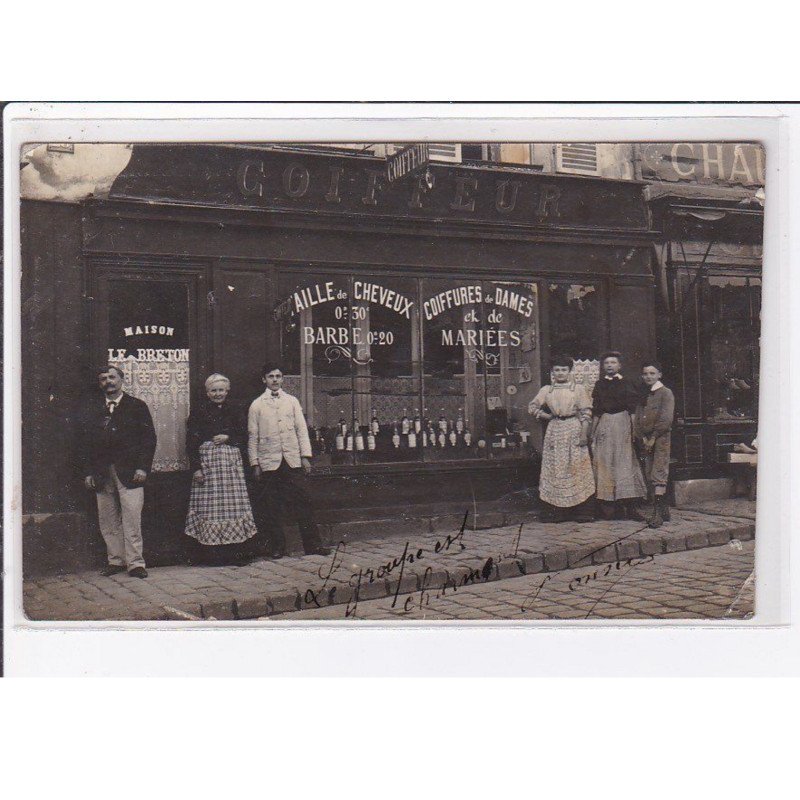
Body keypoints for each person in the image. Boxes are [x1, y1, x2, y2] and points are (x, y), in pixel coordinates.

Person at [81, 364, 157, 578]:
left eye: (112, 377)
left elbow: (148, 439)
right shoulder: (94, 410)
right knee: (108, 519)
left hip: (130, 472)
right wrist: (88, 472)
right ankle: (116, 561)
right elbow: (85, 444)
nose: (109, 382)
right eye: (104, 379)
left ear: (122, 380)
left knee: (132, 517)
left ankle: (135, 563)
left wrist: (143, 467)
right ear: (100, 384)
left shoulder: (136, 406)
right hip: (102, 473)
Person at [248, 364, 331, 559]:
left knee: (304, 502)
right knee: (272, 506)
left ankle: (313, 546)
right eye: (271, 376)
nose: (275, 380)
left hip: (292, 460)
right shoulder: (257, 405)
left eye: (278, 376)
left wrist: (305, 457)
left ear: (283, 379)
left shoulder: (292, 401)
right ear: (264, 380)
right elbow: (253, 436)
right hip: (270, 461)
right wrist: (255, 463)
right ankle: (278, 547)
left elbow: (301, 431)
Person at [184, 373, 257, 565]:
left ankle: (236, 554)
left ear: (227, 391)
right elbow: (191, 441)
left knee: (233, 508)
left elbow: (245, 434)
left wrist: (228, 437)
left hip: (231, 468)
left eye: (221, 390)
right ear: (207, 393)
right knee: (210, 509)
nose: (218, 394)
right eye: (213, 390)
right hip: (208, 466)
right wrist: (196, 469)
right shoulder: (199, 411)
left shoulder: (236, 409)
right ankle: (211, 555)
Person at [528, 355, 595, 522]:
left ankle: (582, 511)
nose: (560, 373)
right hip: (555, 429)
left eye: (563, 370)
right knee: (557, 467)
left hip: (573, 427)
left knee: (576, 466)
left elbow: (586, 412)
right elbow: (532, 406)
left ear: (569, 371)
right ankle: (557, 512)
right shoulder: (546, 390)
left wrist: (583, 434)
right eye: (557, 370)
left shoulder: (577, 389)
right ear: (552, 372)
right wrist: (546, 415)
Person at [590, 351, 647, 520]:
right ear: (602, 367)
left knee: (625, 462)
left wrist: (634, 431)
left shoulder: (627, 383)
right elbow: (597, 411)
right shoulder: (599, 385)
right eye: (606, 363)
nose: (609, 365)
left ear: (619, 365)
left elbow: (632, 410)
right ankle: (608, 508)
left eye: (613, 362)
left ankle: (630, 506)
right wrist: (592, 434)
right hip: (605, 424)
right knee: (605, 462)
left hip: (623, 423)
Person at [634, 360, 675, 528]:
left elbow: (666, 419)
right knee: (649, 471)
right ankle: (664, 510)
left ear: (659, 375)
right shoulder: (643, 393)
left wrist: (653, 437)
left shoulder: (665, 393)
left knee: (659, 471)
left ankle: (657, 512)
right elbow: (638, 416)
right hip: (646, 439)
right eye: (645, 374)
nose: (648, 376)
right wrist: (642, 437)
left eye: (652, 373)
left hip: (660, 439)